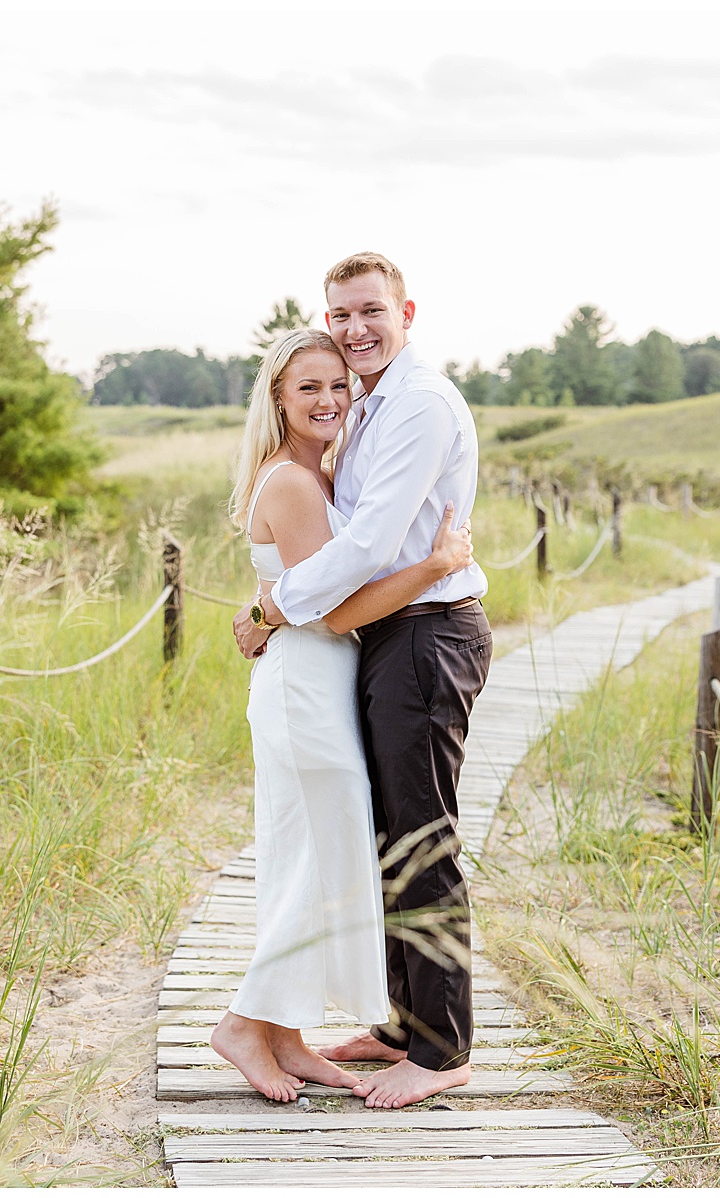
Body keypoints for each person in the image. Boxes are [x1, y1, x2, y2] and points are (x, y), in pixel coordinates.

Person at [233, 253, 492, 1109]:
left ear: (406, 311)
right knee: (384, 838)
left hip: (424, 635)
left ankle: (443, 1046)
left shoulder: (415, 404)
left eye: (370, 311)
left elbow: (371, 545)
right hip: (383, 638)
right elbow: (339, 552)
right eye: (340, 314)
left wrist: (272, 611)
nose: (355, 330)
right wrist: (278, 608)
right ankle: (403, 1025)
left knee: (420, 841)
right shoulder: (368, 409)